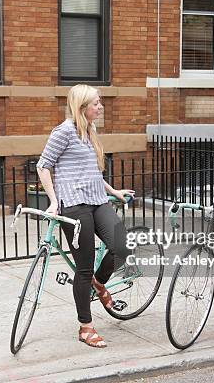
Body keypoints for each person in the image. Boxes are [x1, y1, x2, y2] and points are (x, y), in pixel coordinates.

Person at [36, 84, 135, 349]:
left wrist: (114, 191)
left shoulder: (89, 131)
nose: (100, 106)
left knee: (122, 246)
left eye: (100, 102)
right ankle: (86, 326)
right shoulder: (64, 132)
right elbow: (43, 166)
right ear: (82, 107)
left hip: (97, 201)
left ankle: (99, 284)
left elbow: (91, 172)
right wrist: (54, 202)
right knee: (84, 267)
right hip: (74, 206)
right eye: (96, 103)